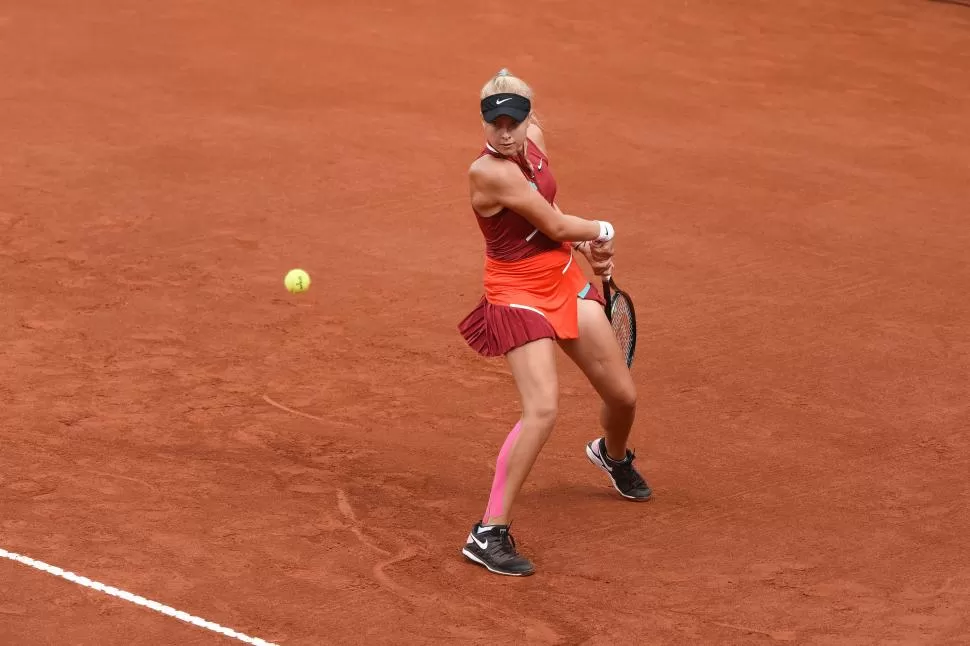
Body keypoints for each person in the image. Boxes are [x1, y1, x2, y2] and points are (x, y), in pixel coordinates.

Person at [457, 69, 652, 577]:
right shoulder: (488, 172)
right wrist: (601, 229)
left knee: (623, 397)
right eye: (494, 122)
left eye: (513, 121)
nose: (504, 132)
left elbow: (549, 209)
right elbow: (557, 224)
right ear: (484, 123)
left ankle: (612, 456)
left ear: (527, 120)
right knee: (542, 409)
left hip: (561, 280)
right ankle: (489, 531)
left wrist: (584, 249)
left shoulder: (534, 144)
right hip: (516, 294)